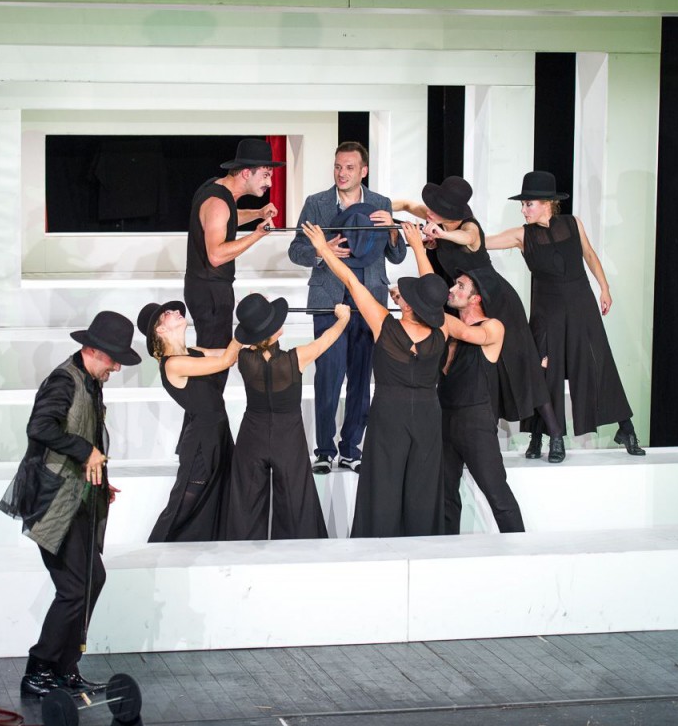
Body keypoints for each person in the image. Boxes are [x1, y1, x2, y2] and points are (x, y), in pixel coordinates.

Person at [0, 310, 140, 698]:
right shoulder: (63, 380)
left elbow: (84, 432)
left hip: (77, 497)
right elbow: (40, 427)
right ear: (94, 350)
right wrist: (85, 452)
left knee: (93, 579)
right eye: (113, 359)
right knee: (74, 588)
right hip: (52, 501)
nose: (116, 368)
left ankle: (64, 667)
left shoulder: (90, 381)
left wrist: (99, 481)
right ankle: (39, 669)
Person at [394, 176, 564, 462]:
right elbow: (408, 205)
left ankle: (555, 434)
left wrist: (440, 235)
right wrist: (380, 207)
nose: (429, 212)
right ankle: (477, 437)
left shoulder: (468, 226)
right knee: (474, 370)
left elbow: (468, 238)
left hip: (497, 299)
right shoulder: (436, 217)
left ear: (451, 213)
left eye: (436, 209)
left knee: (523, 366)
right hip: (465, 301)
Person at [302, 220, 449, 538]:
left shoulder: (385, 324)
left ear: (406, 306)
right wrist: (419, 248)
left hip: (389, 414)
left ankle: (377, 549)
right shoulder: (443, 329)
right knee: (423, 487)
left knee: (383, 485)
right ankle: (423, 549)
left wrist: (323, 249)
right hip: (428, 414)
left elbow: (351, 281)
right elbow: (433, 292)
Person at [484, 170, 645, 458]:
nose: (523, 210)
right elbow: (482, 242)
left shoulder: (573, 223)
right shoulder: (522, 235)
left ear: (547, 203)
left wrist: (604, 288)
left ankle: (626, 428)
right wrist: (445, 233)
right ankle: (543, 437)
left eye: (528, 204)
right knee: (545, 371)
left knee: (598, 364)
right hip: (547, 311)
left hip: (582, 304)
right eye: (523, 204)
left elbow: (589, 255)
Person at [287, 142, 406, 474]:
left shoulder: (381, 203)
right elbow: (295, 250)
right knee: (328, 374)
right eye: (338, 166)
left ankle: (351, 449)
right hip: (329, 299)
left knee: (361, 376)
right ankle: (324, 450)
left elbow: (397, 256)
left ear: (363, 171)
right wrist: (321, 250)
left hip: (370, 301)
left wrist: (392, 231)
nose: (342, 173)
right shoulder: (317, 203)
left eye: (350, 167)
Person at [225, 293, 349, 540]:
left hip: (251, 436)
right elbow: (327, 340)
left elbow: (233, 347)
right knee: (295, 503)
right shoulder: (296, 358)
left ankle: (242, 554)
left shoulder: (243, 358)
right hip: (288, 438)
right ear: (274, 331)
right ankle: (297, 554)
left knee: (246, 503)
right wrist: (343, 318)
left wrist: (249, 319)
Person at [138, 300, 241, 542]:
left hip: (218, 433)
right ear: (161, 329)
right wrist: (243, 327)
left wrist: (252, 332)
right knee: (185, 502)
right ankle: (156, 548)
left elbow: (228, 353)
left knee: (216, 497)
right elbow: (225, 361)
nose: (177, 311)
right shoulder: (172, 363)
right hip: (201, 442)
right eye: (168, 313)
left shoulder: (193, 352)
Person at [184, 138, 282, 388]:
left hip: (205, 289)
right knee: (214, 368)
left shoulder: (216, 189)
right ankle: (208, 410)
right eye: (265, 175)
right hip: (211, 293)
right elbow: (216, 255)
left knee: (214, 362)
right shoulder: (218, 202)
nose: (269, 183)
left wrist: (257, 214)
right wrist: (257, 235)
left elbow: (227, 218)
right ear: (247, 173)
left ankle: (207, 408)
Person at [437, 268, 526, 534]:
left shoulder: (492, 326)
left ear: (476, 298)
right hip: (444, 417)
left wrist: (429, 307)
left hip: (475, 421)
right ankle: (448, 549)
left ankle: (520, 548)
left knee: (496, 492)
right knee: (444, 494)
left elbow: (468, 334)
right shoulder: (450, 333)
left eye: (460, 286)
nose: (452, 290)